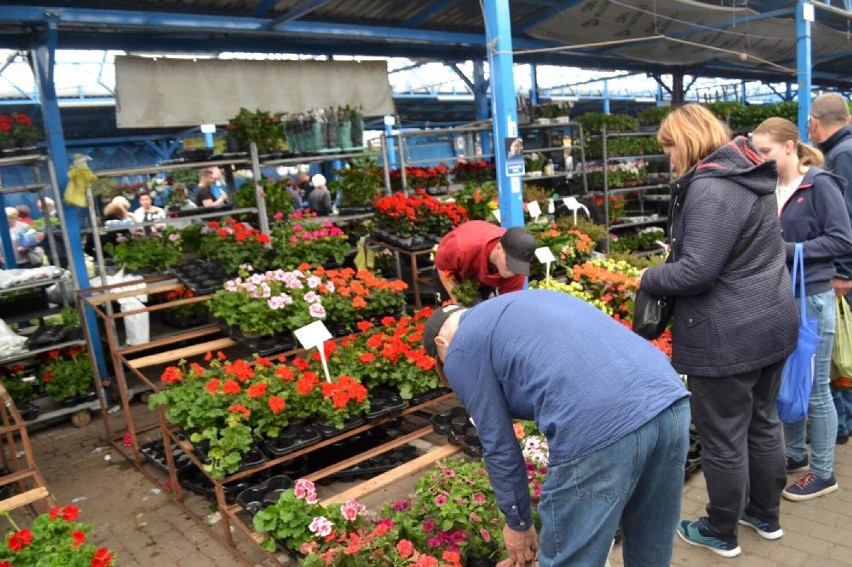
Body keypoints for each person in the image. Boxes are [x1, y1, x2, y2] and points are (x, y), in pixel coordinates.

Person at [422, 291, 691, 567]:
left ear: (441, 343)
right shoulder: (515, 303)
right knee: (651, 549)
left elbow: (498, 444)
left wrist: (517, 522)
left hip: (600, 422)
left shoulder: (459, 350)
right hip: (669, 398)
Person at [639, 104, 798, 558]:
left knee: (723, 435)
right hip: (770, 320)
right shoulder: (751, 171)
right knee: (763, 423)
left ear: (686, 141)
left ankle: (720, 530)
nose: (668, 158)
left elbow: (696, 272)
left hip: (728, 334)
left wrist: (647, 277)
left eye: (669, 147)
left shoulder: (711, 187)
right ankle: (764, 516)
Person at [752, 117, 852, 501]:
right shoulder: (770, 187)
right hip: (777, 296)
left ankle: (824, 472)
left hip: (811, 296)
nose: (761, 159)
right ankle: (794, 455)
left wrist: (793, 252)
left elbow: (841, 240)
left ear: (790, 147)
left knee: (816, 389)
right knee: (786, 380)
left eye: (767, 152)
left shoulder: (820, 185)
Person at [808, 93, 852, 445]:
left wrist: (843, 272)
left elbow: (845, 224)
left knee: (840, 352)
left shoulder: (840, 156)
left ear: (815, 122)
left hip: (844, 272)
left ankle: (841, 424)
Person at [434, 220, 535, 304]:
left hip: (483, 279)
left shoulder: (516, 272)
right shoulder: (463, 247)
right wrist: (458, 303)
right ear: (499, 248)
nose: (512, 271)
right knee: (452, 315)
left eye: (517, 265)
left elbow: (508, 305)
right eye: (510, 262)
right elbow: (442, 267)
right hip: (451, 270)